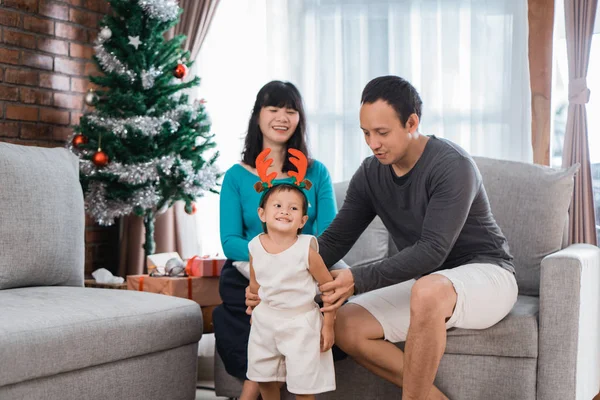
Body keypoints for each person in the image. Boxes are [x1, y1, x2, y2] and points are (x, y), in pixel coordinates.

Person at [247, 76, 518, 400]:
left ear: (412, 122)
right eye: (366, 133)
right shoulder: (371, 173)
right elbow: (332, 242)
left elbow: (432, 250)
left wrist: (356, 279)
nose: (373, 143)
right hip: (430, 282)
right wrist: (273, 270)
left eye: (382, 132)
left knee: (428, 290)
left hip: (488, 273)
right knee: (348, 324)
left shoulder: (452, 165)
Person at [213, 80, 338, 400]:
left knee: (324, 299)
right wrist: (271, 253)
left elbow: (329, 237)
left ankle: (251, 392)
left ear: (299, 119)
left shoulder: (317, 172)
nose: (282, 117)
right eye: (273, 109)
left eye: (291, 110)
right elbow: (229, 241)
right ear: (257, 116)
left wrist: (293, 254)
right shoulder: (236, 176)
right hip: (249, 268)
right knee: (239, 306)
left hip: (306, 268)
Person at [246, 148, 336, 400]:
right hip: (265, 322)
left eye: (293, 208)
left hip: (301, 324)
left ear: (302, 220)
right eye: (277, 205)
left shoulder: (306, 248)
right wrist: (253, 308)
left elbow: (328, 288)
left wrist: (328, 325)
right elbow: (255, 285)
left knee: (303, 386)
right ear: (262, 214)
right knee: (263, 377)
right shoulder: (254, 246)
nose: (285, 211)